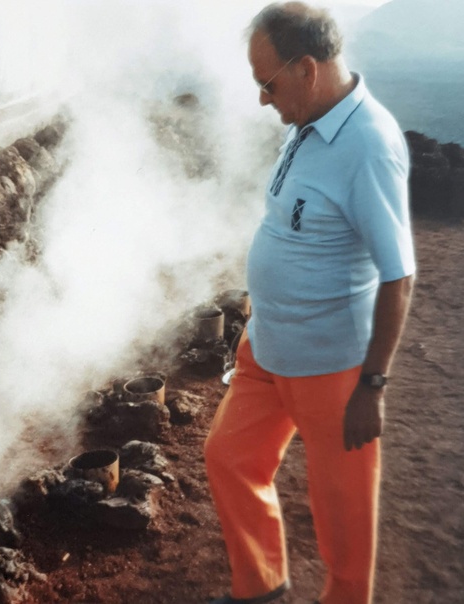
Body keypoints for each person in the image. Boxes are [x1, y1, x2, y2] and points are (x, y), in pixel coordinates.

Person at [204, 3, 416, 604]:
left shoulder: (369, 145)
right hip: (268, 347)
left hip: (334, 368)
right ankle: (263, 588)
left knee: (343, 520)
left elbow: (398, 276)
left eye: (267, 84)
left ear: (307, 69)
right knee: (229, 457)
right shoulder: (306, 124)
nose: (263, 100)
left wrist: (372, 386)